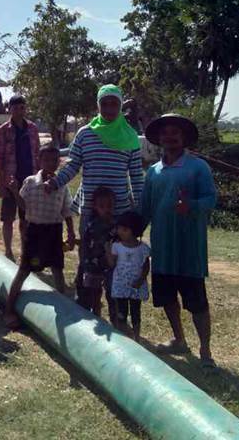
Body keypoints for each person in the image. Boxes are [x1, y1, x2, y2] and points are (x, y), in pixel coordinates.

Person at [45, 84, 143, 308]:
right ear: (98, 105)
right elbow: (73, 165)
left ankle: (116, 308)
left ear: (120, 106)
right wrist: (55, 182)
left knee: (116, 259)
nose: (109, 108)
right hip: (90, 211)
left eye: (114, 103)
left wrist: (139, 209)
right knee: (89, 257)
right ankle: (89, 305)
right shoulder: (85, 134)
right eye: (104, 103)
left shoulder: (130, 137)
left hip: (118, 213)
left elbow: (137, 176)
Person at [141, 113, 217, 369]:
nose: (170, 136)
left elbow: (211, 199)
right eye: (165, 133)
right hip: (162, 247)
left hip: (189, 249)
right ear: (158, 138)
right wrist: (128, 232)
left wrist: (191, 206)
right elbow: (145, 208)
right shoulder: (153, 172)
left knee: (197, 302)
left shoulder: (198, 167)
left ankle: (205, 350)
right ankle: (179, 339)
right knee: (167, 297)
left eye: (175, 132)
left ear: (184, 137)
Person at [3, 143, 76, 329]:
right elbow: (23, 205)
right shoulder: (30, 182)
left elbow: (67, 211)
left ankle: (64, 311)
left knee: (57, 269)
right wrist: (14, 191)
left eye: (55, 160)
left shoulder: (62, 185)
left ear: (59, 162)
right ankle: (9, 310)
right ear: (39, 161)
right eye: (47, 160)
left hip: (54, 232)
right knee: (23, 270)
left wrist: (71, 231)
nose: (51, 163)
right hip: (34, 232)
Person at [0, 94, 40, 261]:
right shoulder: (2, 131)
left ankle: (25, 252)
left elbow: (37, 154)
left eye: (22, 107)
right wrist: (1, 185)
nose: (19, 111)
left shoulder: (33, 129)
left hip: (30, 182)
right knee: (8, 219)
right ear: (9, 109)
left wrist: (40, 178)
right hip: (10, 182)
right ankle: (8, 251)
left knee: (26, 219)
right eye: (15, 108)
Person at [107, 211, 150, 343]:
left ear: (134, 231)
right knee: (121, 312)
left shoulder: (143, 248)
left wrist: (141, 279)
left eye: (124, 229)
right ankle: (123, 337)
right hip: (121, 285)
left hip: (136, 286)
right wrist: (107, 250)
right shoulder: (116, 246)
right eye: (119, 228)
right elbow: (112, 264)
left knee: (136, 312)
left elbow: (146, 266)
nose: (120, 232)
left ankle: (137, 337)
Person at [76, 186, 118, 318]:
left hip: (110, 266)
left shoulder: (116, 226)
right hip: (93, 265)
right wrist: (85, 262)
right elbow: (85, 244)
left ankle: (115, 318)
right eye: (102, 206)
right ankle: (96, 314)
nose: (106, 209)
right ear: (95, 207)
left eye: (109, 206)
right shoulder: (92, 225)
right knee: (94, 292)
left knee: (112, 294)